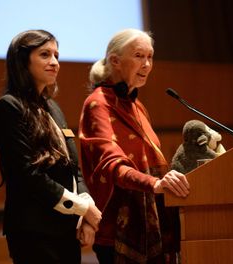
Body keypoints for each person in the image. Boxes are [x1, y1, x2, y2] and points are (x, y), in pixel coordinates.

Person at [78, 28, 190, 263]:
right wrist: (156, 183)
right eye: (139, 56)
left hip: (152, 222)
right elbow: (112, 165)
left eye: (150, 57)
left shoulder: (136, 105)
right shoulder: (98, 104)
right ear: (115, 61)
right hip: (118, 227)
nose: (147, 64)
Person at [0, 29, 102, 263]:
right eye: (45, 55)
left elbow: (74, 169)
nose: (54, 62)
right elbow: (27, 175)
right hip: (34, 231)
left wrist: (86, 213)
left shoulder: (53, 108)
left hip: (65, 229)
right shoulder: (9, 107)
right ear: (22, 60)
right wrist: (82, 208)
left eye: (56, 56)